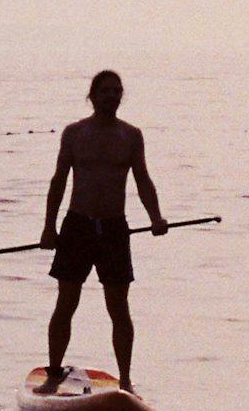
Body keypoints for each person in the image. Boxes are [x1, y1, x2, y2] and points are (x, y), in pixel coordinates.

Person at [41, 69, 167, 392]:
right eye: (105, 91)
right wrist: (48, 227)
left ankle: (125, 381)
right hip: (77, 226)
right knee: (66, 303)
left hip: (113, 229)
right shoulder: (74, 134)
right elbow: (59, 181)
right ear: (92, 95)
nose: (111, 96)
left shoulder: (131, 136)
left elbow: (142, 180)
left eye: (117, 91)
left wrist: (156, 217)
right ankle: (53, 372)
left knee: (119, 308)